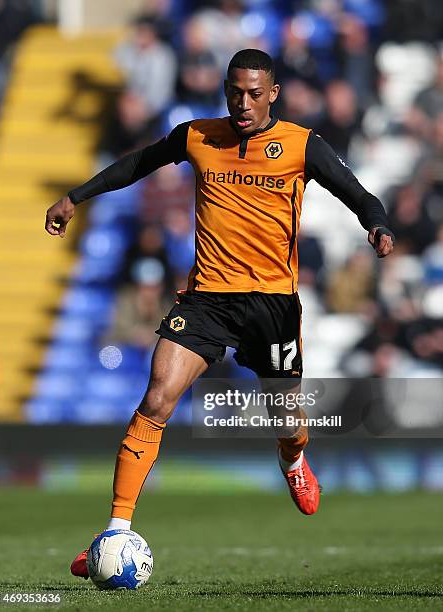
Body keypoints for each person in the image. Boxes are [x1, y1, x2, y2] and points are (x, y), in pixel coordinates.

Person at [45, 49, 395, 579]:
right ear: (226, 89)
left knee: (287, 420)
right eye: (235, 91)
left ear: (273, 93)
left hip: (272, 305)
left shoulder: (303, 145)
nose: (244, 102)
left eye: (255, 93)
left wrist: (378, 226)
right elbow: (140, 163)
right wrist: (77, 196)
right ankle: (115, 533)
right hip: (207, 298)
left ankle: (293, 458)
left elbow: (359, 195)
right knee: (158, 396)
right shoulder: (197, 137)